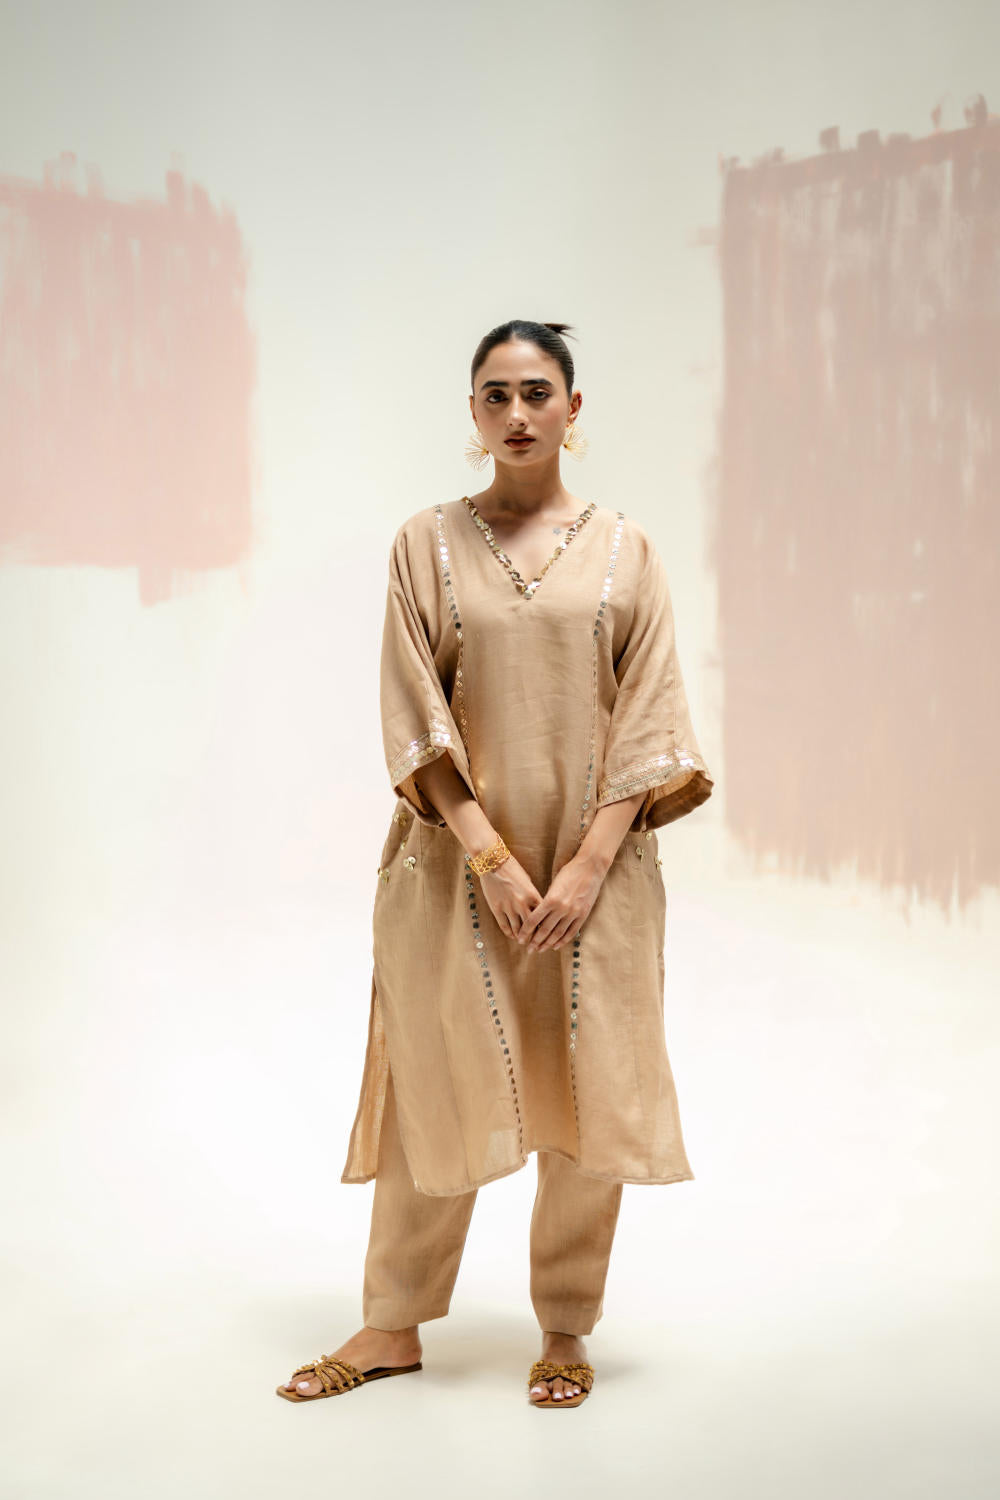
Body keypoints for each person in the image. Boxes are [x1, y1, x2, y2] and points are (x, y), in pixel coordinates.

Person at [276, 319, 714, 1410]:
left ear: (573, 406)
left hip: (596, 873)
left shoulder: (628, 550)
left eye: (536, 391)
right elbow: (413, 712)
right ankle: (391, 1325)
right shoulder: (423, 544)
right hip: (453, 866)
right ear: (473, 413)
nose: (517, 413)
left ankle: (565, 1329)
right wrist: (493, 861)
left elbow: (652, 716)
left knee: (587, 1092)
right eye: (495, 395)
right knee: (435, 1083)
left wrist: (585, 868)